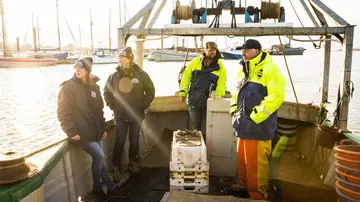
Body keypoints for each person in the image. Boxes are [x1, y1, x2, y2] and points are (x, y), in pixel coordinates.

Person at [57, 57, 129, 201]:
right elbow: (63, 112)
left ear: (88, 70)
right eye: (76, 68)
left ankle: (109, 189)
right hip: (81, 134)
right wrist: (70, 131)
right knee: (100, 157)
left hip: (96, 132)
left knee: (99, 160)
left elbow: (99, 111)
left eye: (81, 68)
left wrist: (103, 128)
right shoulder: (68, 87)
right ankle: (102, 188)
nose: (77, 70)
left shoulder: (94, 87)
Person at [230, 39, 286, 200]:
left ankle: (258, 193)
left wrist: (256, 116)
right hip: (242, 125)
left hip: (258, 126)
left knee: (256, 163)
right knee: (242, 159)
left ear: (256, 51)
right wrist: (233, 110)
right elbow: (235, 93)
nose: (243, 52)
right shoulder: (242, 69)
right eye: (242, 50)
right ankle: (243, 185)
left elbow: (276, 97)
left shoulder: (271, 69)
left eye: (246, 50)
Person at [104, 47, 155, 181]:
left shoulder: (141, 75)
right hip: (120, 116)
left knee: (134, 141)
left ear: (130, 59)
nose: (120, 60)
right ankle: (116, 167)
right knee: (120, 141)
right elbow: (106, 92)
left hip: (136, 115)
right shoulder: (113, 76)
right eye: (119, 57)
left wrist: (142, 105)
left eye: (123, 57)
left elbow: (150, 91)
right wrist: (113, 106)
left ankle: (132, 163)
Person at [179, 41, 226, 139]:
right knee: (195, 128)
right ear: (205, 50)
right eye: (209, 50)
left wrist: (217, 97)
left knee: (209, 128)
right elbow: (185, 78)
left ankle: (207, 147)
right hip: (194, 101)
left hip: (209, 103)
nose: (212, 52)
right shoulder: (195, 62)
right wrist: (183, 92)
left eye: (214, 50)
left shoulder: (220, 66)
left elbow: (222, 84)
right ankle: (197, 145)